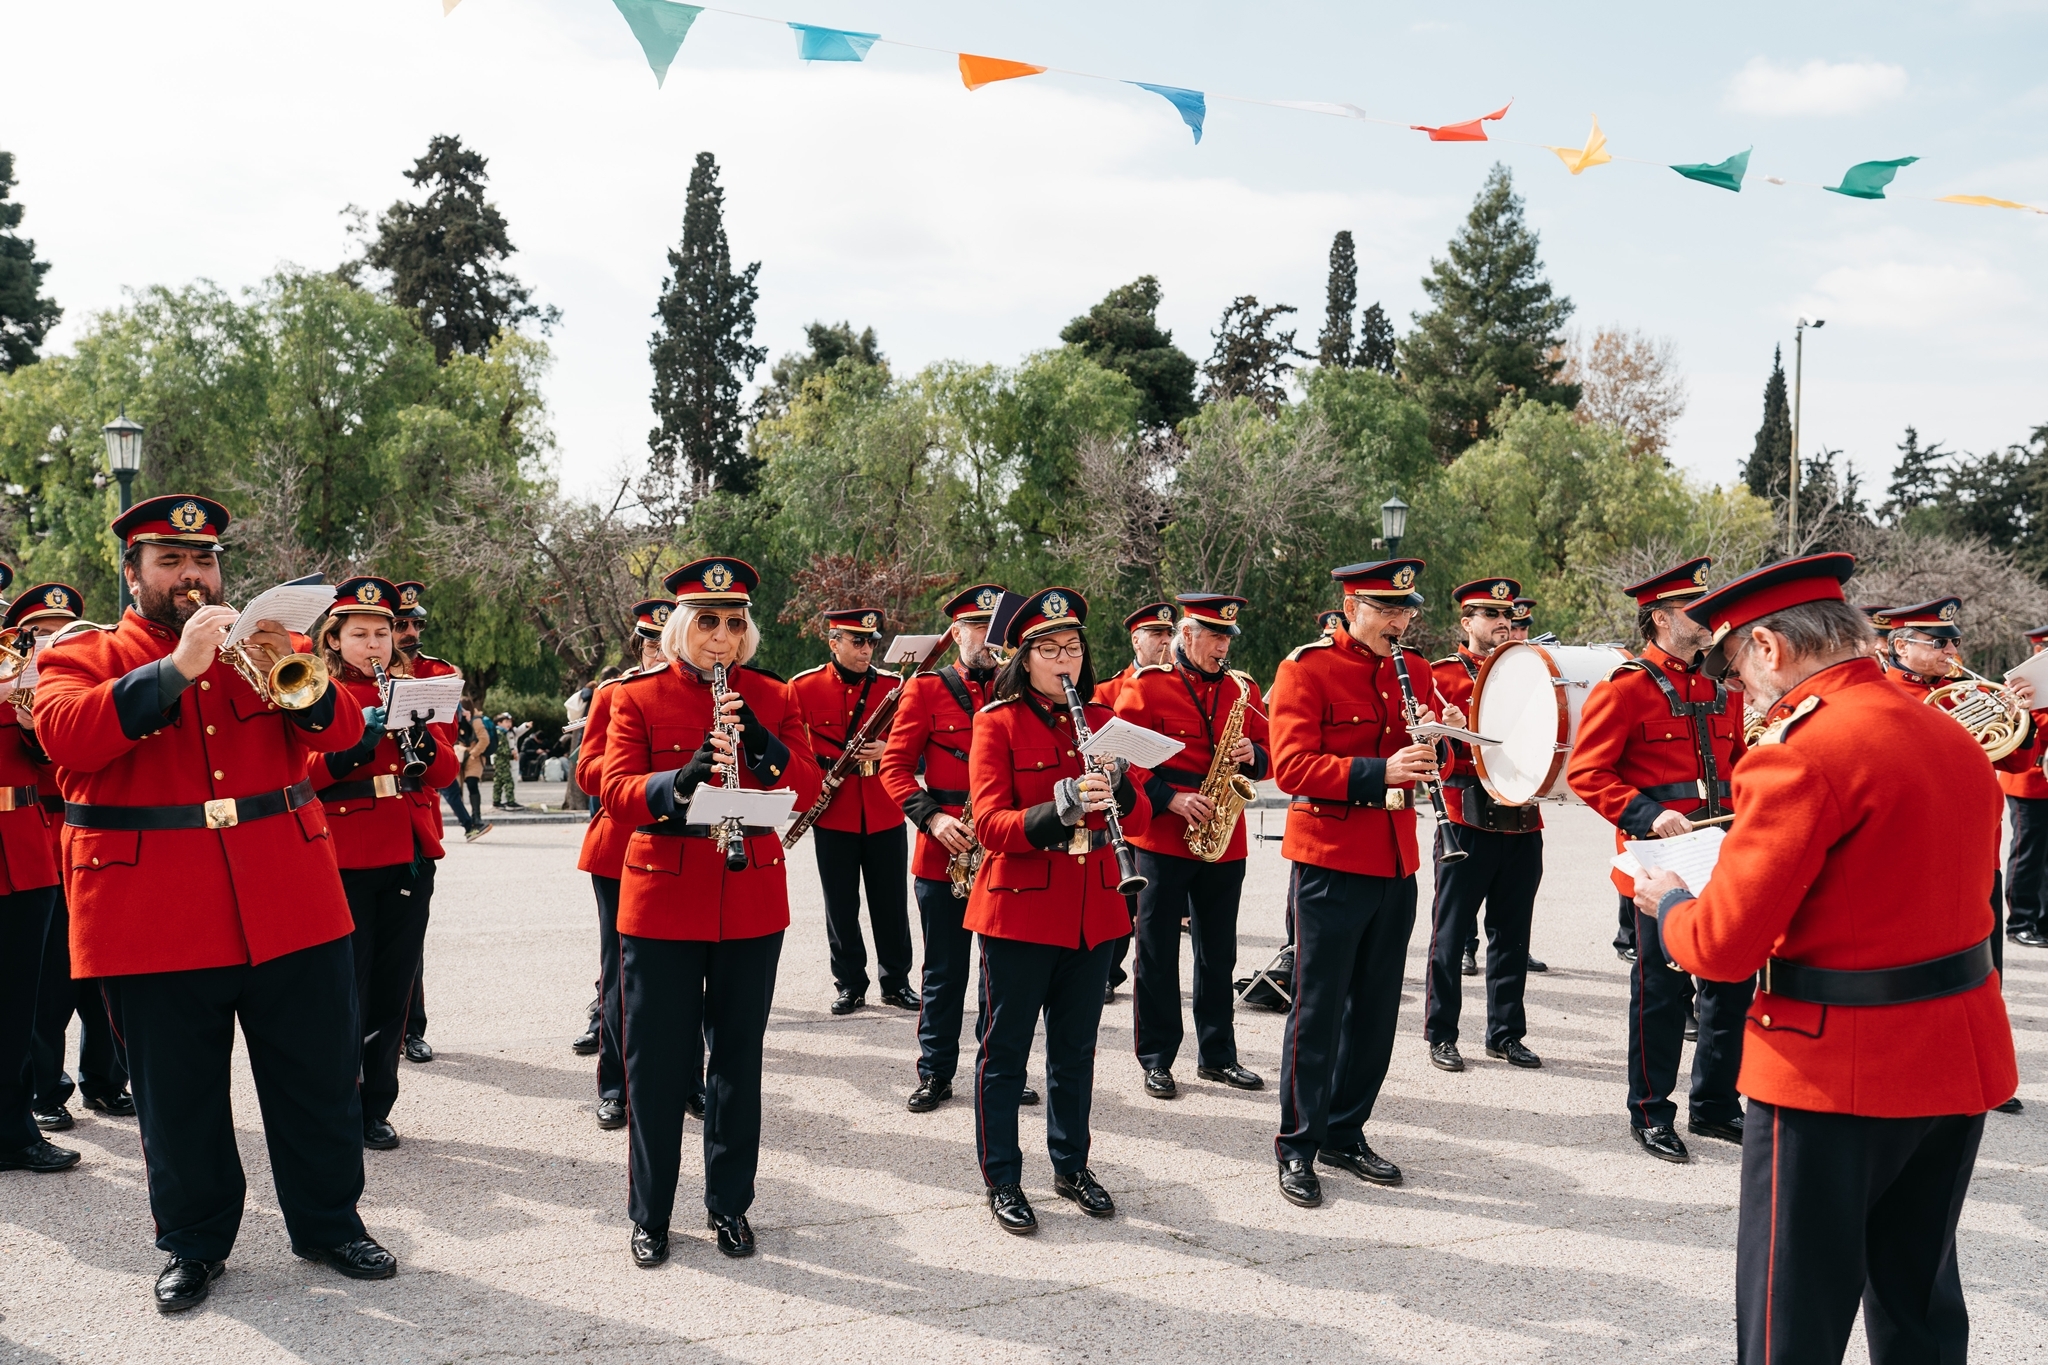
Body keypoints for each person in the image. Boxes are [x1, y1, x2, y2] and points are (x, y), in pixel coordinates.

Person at [1631, 552, 2018, 1364]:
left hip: (1833, 1069)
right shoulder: (1949, 732)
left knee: (1791, 1326)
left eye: (1735, 666)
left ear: (1770, 647)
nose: (1739, 688)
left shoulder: (1797, 750)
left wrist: (1669, 904)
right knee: (1918, 1310)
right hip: (1955, 1052)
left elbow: (1722, 949)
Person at [37, 494, 394, 1312]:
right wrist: (173, 670)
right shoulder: (85, 652)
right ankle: (194, 1242)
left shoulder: (267, 645)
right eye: (170, 561)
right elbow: (66, 735)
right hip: (154, 913)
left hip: (290, 897)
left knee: (316, 1078)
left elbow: (342, 735)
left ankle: (330, 1222)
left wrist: (297, 684)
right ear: (133, 575)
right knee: (179, 1093)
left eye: (203, 560)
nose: (191, 575)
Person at [598, 556, 821, 1264]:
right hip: (662, 897)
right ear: (679, 627)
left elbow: (810, 784)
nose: (721, 636)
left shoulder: (773, 694)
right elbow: (614, 792)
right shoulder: (637, 696)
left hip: (749, 897)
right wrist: (679, 780)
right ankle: (651, 1214)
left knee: (737, 1064)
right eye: (707, 623)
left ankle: (730, 1205)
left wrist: (762, 743)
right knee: (657, 1066)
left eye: (733, 623)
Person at [1267, 558, 1463, 1207]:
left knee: (1376, 1013)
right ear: (1352, 608)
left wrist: (1442, 744)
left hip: (1394, 860)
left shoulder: (1415, 670)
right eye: (1387, 609)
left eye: (1406, 610)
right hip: (1329, 858)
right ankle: (1298, 1144)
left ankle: (1345, 1132)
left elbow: (1430, 757)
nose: (1400, 621)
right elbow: (1292, 766)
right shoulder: (1306, 668)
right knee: (1318, 1010)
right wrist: (1381, 771)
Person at [967, 587, 1151, 1235]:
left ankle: (1072, 1165)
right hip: (1020, 910)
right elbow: (990, 825)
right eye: (1048, 649)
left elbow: (1143, 819)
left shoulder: (1103, 717)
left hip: (1094, 906)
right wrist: (1063, 807)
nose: (1064, 659)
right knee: (1005, 1052)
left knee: (1075, 1051)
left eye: (1072, 647)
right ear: (1025, 658)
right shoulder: (996, 722)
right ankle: (1002, 1177)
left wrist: (1122, 783)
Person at [1565, 557, 1751, 1163]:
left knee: (1730, 984)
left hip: (1725, 854)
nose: (1708, 620)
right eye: (1694, 611)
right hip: (1660, 861)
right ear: (1662, 619)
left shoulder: (1722, 688)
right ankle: (1649, 1111)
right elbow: (1587, 772)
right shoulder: (1625, 687)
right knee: (1662, 992)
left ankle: (1716, 1104)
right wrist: (1646, 814)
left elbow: (1738, 765)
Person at [305, 576, 458, 1153]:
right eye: (360, 634)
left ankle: (377, 1105)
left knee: (394, 987)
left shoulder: (417, 687)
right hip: (344, 851)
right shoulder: (316, 691)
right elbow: (302, 775)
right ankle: (339, 1101)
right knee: (347, 984)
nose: (374, 644)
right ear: (334, 639)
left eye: (382, 633)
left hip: (407, 849)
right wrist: (358, 744)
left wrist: (423, 737)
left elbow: (444, 773)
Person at [877, 583, 1040, 1113]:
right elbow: (894, 768)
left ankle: (1001, 1071)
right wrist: (933, 818)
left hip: (1006, 850)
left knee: (1004, 976)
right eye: (976, 627)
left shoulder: (1024, 689)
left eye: (996, 630)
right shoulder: (925, 690)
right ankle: (935, 1072)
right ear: (956, 632)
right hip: (944, 850)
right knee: (944, 974)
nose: (987, 639)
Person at [1869, 597, 2035, 1115]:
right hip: (1913, 858)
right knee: (1911, 971)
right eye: (1940, 642)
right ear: (1901, 646)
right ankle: (1908, 1075)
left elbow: (2017, 759)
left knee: (1983, 972)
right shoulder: (1876, 696)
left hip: (1978, 852)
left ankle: (1980, 1073)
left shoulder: (1971, 692)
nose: (1951, 651)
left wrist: (2025, 714)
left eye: (1955, 642)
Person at [1113, 593, 1270, 1098]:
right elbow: (1122, 762)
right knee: (1156, 953)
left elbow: (1273, 752)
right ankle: (1157, 1058)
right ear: (1187, 634)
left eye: (1228, 638)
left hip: (1224, 839)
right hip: (1162, 837)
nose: (1223, 647)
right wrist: (1171, 799)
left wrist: (1254, 754)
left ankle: (1217, 1055)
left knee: (1218, 954)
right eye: (1214, 636)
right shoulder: (1148, 686)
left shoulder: (1243, 688)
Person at [16, 582, 134, 1135]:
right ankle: (46, 1087)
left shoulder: (88, 678)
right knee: (49, 981)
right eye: (37, 634)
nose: (48, 642)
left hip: (95, 839)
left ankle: (105, 1080)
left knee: (104, 972)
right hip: (39, 842)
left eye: (58, 633)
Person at [1424, 577, 1544, 1074]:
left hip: (1523, 819)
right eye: (1490, 615)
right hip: (1464, 818)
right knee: (1451, 935)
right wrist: (1453, 735)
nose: (1502, 623)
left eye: (1507, 616)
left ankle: (1505, 1034)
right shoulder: (1440, 676)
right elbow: (1432, 760)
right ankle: (1441, 1034)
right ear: (1466, 622)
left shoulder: (1533, 672)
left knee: (1513, 935)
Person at [572, 599, 676, 1130]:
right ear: (639, 645)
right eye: (651, 642)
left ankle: (687, 1080)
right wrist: (636, 770)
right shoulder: (615, 693)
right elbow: (587, 770)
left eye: (668, 640)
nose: (660, 650)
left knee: (687, 974)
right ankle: (615, 1086)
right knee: (621, 975)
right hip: (621, 846)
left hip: (685, 847)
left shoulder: (710, 692)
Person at [790, 608, 913, 1015]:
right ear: (834, 642)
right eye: (857, 641)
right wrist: (812, 780)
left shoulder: (895, 686)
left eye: (871, 642)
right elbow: (790, 742)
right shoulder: (803, 686)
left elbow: (915, 743)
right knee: (841, 905)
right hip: (834, 811)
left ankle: (896, 982)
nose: (866, 650)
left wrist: (888, 750)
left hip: (883, 809)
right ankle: (850, 984)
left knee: (891, 903)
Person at [0, 564, 77, 1178]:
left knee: (18, 1002)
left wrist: (35, 726)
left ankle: (13, 1129)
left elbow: (57, 762)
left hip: (24, 846)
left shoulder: (17, 661)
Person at [392, 580, 468, 1066]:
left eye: (415, 624)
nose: (411, 633)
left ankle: (410, 1028)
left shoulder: (438, 673)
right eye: (401, 625)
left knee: (408, 936)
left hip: (414, 805)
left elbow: (446, 743)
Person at [1095, 602, 1176, 998]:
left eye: (1169, 634)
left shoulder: (1177, 686)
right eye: (1156, 634)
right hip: (1116, 808)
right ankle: (1106, 972)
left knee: (1145, 906)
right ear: (1136, 641)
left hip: (1156, 811)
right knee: (1115, 896)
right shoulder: (1108, 691)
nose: (1165, 641)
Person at [2002, 621, 2048, 951]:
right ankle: (2020, 922)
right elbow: (2030, 724)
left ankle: (2043, 921)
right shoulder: (2025, 682)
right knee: (2027, 854)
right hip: (2029, 780)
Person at [490, 710, 519, 810]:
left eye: (510, 722)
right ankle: (510, 802)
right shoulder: (500, 733)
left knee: (498, 782)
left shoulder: (502, 733)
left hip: (500, 761)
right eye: (506, 722)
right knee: (508, 781)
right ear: (499, 723)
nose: (509, 724)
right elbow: (500, 749)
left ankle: (496, 801)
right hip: (502, 761)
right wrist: (511, 753)